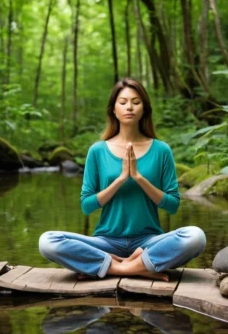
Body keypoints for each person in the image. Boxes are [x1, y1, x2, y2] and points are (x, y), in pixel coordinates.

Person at [39, 78, 206, 281]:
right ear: (113, 110)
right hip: (106, 242)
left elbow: (172, 205)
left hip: (148, 241)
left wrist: (138, 177)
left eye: (136, 102)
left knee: (195, 237)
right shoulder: (97, 151)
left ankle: (111, 266)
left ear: (144, 109)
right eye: (123, 102)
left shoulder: (161, 150)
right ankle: (135, 267)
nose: (130, 107)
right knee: (48, 241)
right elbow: (87, 206)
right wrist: (120, 179)